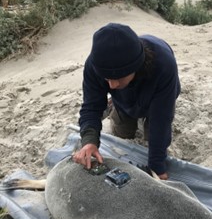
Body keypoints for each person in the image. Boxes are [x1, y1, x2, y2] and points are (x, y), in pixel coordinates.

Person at [73, 23, 180, 180]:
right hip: (123, 97)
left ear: (136, 66)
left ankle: (130, 107)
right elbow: (91, 106)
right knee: (123, 130)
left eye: (118, 77)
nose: (112, 85)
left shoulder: (164, 65)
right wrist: (89, 142)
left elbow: (161, 119)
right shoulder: (95, 64)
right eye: (107, 78)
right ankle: (116, 105)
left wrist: (157, 166)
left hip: (158, 91)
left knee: (154, 129)